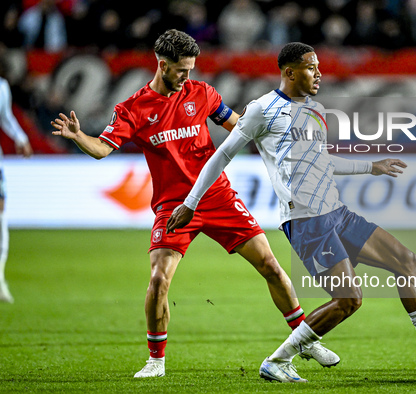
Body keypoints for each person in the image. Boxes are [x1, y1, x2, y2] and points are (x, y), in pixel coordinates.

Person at [167, 42, 416, 383]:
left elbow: (321, 161)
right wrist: (191, 202)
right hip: (306, 220)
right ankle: (277, 361)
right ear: (289, 72)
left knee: (406, 261)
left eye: (318, 66)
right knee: (348, 300)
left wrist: (370, 168)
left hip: (336, 212)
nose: (319, 73)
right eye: (310, 67)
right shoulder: (263, 109)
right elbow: (222, 154)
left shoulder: (315, 110)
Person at [50, 30, 337, 378]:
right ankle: (156, 361)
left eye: (191, 69)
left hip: (217, 196)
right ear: (162, 65)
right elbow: (101, 149)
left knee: (272, 267)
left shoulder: (201, 93)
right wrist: (78, 136)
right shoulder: (134, 109)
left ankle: (304, 339)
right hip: (174, 206)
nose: (188, 77)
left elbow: (237, 126)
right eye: (182, 70)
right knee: (158, 280)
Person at [0, 71, 33, 303]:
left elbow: (5, 117)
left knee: (1, 218)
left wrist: (20, 138)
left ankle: (0, 279)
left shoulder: (2, 87)